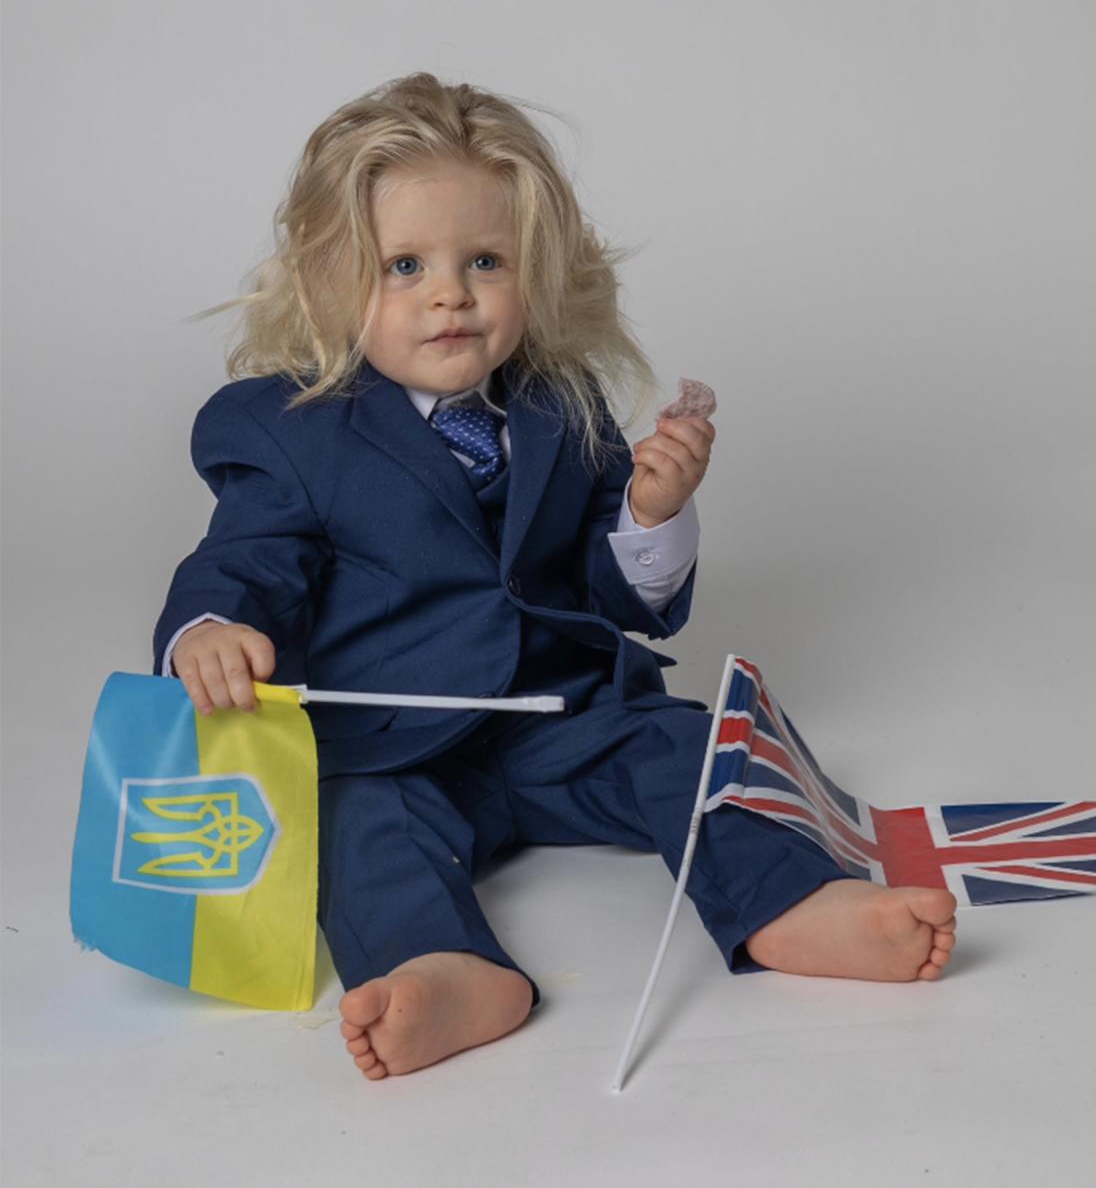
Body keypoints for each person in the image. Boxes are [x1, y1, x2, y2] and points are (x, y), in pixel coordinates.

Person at [155, 73, 957, 1080]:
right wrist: (213, 627)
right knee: (361, 828)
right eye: (403, 266)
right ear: (326, 280)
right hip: (393, 740)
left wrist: (652, 516)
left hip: (554, 714)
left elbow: (615, 595)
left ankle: (788, 904)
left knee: (687, 746)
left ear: (536, 272)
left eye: (483, 260)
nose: (449, 293)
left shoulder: (556, 404)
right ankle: (442, 966)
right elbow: (245, 556)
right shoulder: (288, 429)